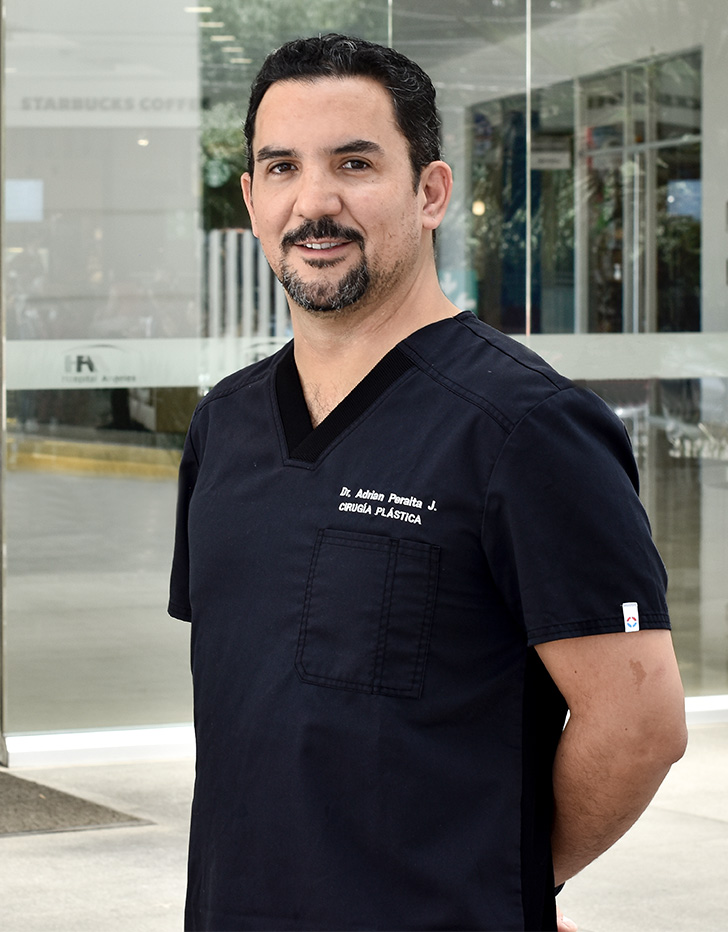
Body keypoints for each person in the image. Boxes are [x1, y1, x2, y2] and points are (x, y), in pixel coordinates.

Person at [169, 33, 687, 932]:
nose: (314, 202)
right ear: (252, 200)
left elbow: (641, 723)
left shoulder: (527, 429)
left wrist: (510, 881)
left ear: (431, 190)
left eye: (355, 163)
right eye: (282, 167)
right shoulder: (226, 425)